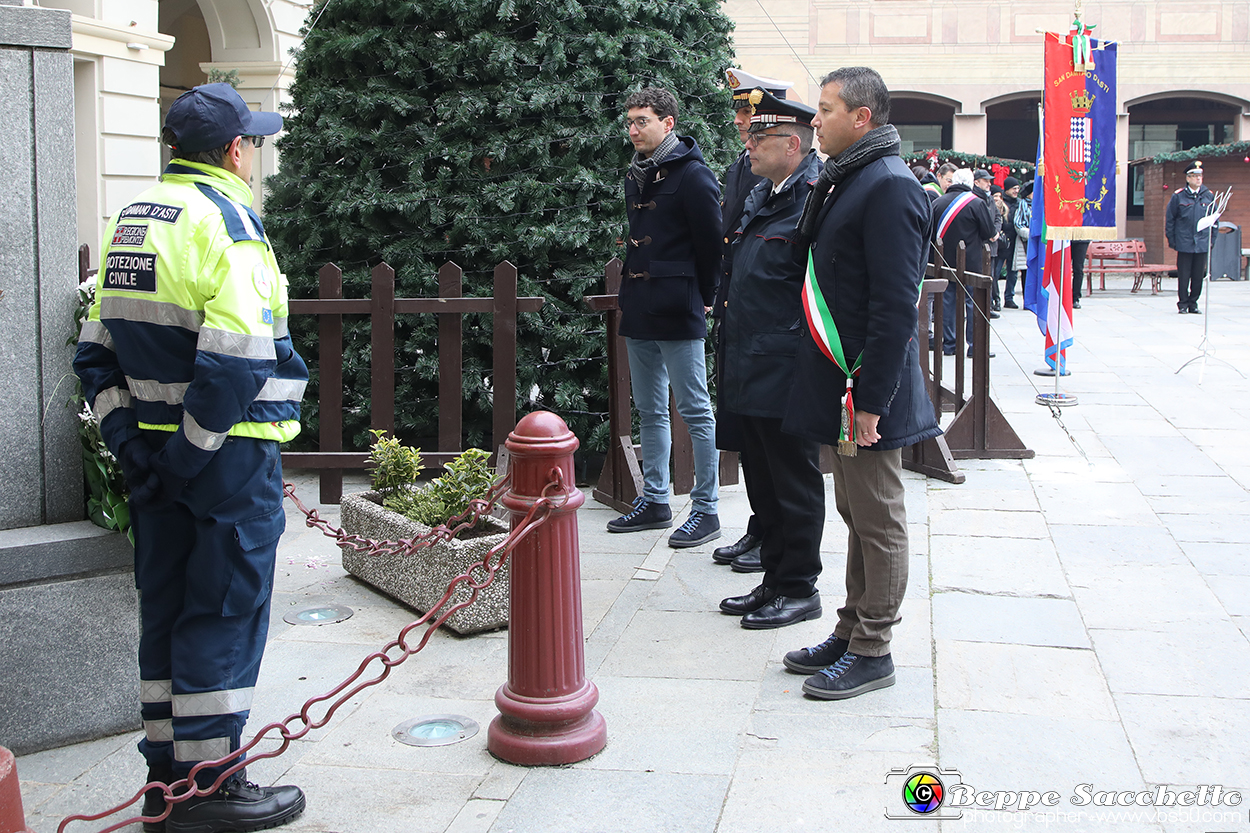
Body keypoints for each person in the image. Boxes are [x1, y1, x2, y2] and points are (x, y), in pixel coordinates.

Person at [73, 82, 307, 832]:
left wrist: (132, 450)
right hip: (225, 460)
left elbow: (95, 355)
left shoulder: (131, 219)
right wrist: (187, 455)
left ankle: (165, 783)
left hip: (152, 457)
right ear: (235, 151)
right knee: (224, 609)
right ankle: (210, 788)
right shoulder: (230, 220)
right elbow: (239, 361)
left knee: (167, 611)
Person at [783, 67, 941, 700]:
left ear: (862, 117)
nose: (813, 121)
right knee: (853, 510)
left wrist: (872, 401)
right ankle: (851, 628)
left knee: (877, 516)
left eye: (825, 110)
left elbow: (896, 307)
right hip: (840, 380)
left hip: (866, 389)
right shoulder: (847, 177)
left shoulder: (889, 186)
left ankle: (874, 647)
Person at [716, 89, 825, 629]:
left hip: (784, 367)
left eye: (759, 138)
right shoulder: (767, 192)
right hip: (748, 361)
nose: (749, 145)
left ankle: (799, 585)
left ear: (792, 143)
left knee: (792, 481)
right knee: (762, 478)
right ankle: (774, 578)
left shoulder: (812, 198)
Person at [608, 87, 722, 547]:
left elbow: (712, 244)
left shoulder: (694, 176)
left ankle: (706, 509)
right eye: (630, 122)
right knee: (650, 410)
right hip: (638, 305)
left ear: (668, 122)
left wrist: (705, 296)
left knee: (695, 409)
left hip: (679, 306)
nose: (633, 130)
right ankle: (655, 500)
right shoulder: (636, 175)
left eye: (642, 121)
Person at [712, 68, 793, 573]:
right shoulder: (740, 165)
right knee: (746, 441)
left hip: (770, 329)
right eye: (741, 114)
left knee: (776, 454)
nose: (743, 123)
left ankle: (777, 542)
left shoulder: (794, 176)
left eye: (752, 115)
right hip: (737, 314)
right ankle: (760, 527)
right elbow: (729, 237)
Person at [932, 168, 995, 357]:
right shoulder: (977, 203)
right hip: (972, 263)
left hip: (943, 262)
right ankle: (973, 345)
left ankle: (949, 344)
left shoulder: (937, 203)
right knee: (972, 303)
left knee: (947, 302)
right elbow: (989, 232)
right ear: (970, 183)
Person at [1166, 160, 1215, 314]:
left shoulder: (1208, 196)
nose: (1198, 179)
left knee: (1198, 275)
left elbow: (1214, 220)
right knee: (1184, 274)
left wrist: (1211, 241)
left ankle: (1193, 303)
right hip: (1184, 241)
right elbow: (1170, 219)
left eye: (1200, 176)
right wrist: (1172, 240)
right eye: (1194, 176)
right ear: (1188, 178)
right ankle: (1183, 303)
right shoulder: (1179, 196)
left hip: (1201, 242)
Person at [1005, 180, 1034, 308]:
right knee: (1021, 271)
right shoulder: (1022, 205)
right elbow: (1018, 223)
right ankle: (1014, 298)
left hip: (1036, 242)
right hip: (1024, 242)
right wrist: (1030, 234)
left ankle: (1032, 298)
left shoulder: (1039, 204)